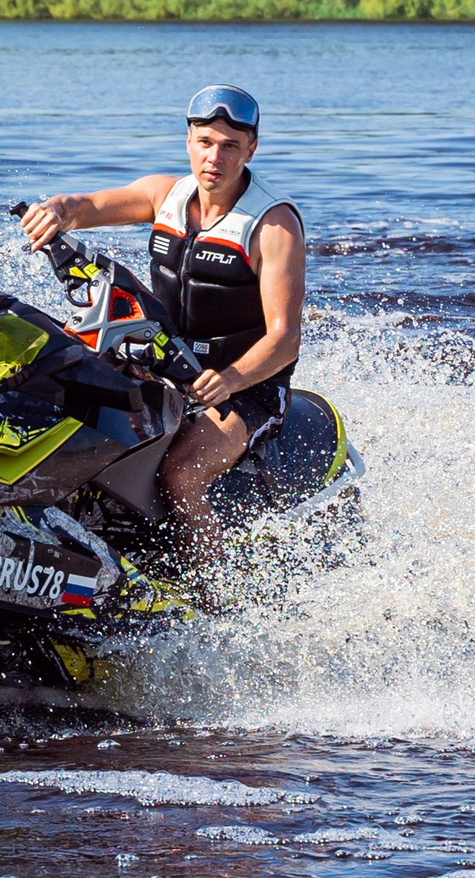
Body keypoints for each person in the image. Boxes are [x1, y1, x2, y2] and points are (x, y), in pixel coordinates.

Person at [20, 84, 304, 567]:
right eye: (205, 143)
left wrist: (232, 378)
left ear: (250, 149)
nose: (215, 157)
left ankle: (213, 596)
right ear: (189, 142)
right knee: (58, 395)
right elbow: (86, 206)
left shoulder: (273, 226)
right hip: (164, 364)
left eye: (230, 146)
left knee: (182, 474)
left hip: (246, 390)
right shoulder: (164, 195)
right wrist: (57, 210)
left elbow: (284, 338)